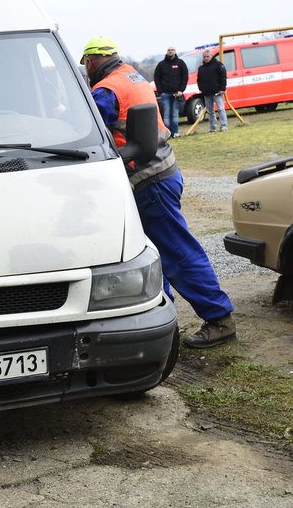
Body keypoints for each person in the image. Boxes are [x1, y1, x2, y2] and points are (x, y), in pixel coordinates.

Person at [80, 37, 236, 348]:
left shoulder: (106, 90)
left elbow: (89, 132)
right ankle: (160, 317)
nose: (86, 70)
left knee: (176, 252)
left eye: (86, 64)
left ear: (94, 59)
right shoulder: (131, 76)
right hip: (163, 172)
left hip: (148, 178)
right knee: (151, 252)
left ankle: (219, 319)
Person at [153, 45, 189, 138]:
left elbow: (185, 77)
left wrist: (181, 90)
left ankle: (175, 132)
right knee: (166, 114)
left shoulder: (180, 63)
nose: (170, 51)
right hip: (165, 94)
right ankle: (167, 134)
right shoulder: (161, 65)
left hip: (177, 94)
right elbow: (157, 78)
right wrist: (161, 92)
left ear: (175, 51)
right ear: (166, 51)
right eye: (169, 50)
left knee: (174, 114)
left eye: (172, 50)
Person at [197, 49, 228, 132]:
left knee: (221, 109)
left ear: (211, 56)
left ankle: (224, 126)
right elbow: (199, 80)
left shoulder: (219, 65)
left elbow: (223, 77)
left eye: (207, 56)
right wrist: (201, 89)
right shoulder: (201, 68)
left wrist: (222, 88)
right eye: (204, 57)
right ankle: (212, 127)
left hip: (217, 92)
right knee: (210, 111)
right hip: (207, 93)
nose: (206, 58)